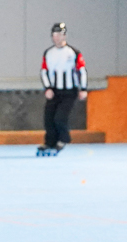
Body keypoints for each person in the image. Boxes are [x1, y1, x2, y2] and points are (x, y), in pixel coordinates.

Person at [37, 23, 87, 156]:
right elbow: (44, 71)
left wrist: (83, 88)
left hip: (69, 91)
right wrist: (48, 88)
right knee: (48, 118)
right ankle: (50, 142)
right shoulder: (49, 53)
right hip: (54, 91)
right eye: (54, 35)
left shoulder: (73, 52)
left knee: (60, 117)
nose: (56, 37)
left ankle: (63, 139)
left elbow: (82, 71)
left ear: (64, 36)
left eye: (59, 34)